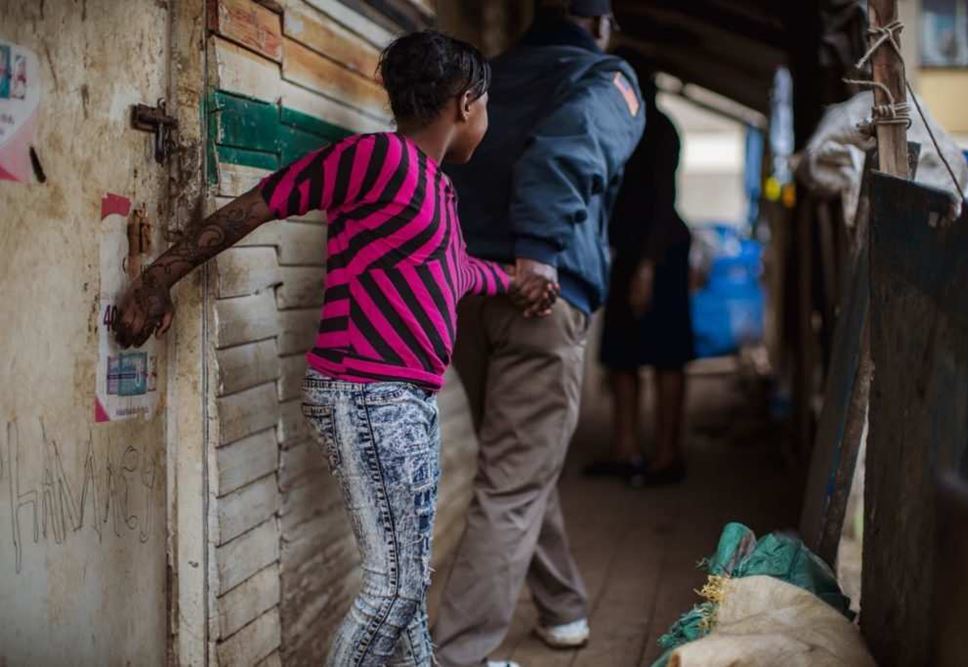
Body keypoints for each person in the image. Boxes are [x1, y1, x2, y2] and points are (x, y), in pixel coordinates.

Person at [112, 31, 556, 667]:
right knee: (395, 586)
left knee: (406, 581)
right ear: (466, 103)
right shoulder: (379, 158)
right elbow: (260, 204)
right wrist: (159, 277)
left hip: (404, 399)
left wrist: (514, 281)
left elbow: (453, 270)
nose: (487, 117)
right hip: (368, 394)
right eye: (486, 105)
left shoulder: (437, 189)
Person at [433, 2, 645, 666]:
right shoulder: (607, 77)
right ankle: (456, 657)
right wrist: (539, 250)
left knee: (519, 462)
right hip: (539, 292)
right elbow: (569, 148)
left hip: (468, 292)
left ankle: (562, 606)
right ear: (601, 24)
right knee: (514, 479)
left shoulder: (485, 76)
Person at [585, 56, 695, 487]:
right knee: (621, 356)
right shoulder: (621, 128)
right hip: (630, 252)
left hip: (660, 253)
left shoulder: (659, 129)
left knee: (667, 355)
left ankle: (667, 455)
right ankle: (626, 450)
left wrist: (646, 268)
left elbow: (664, 201)